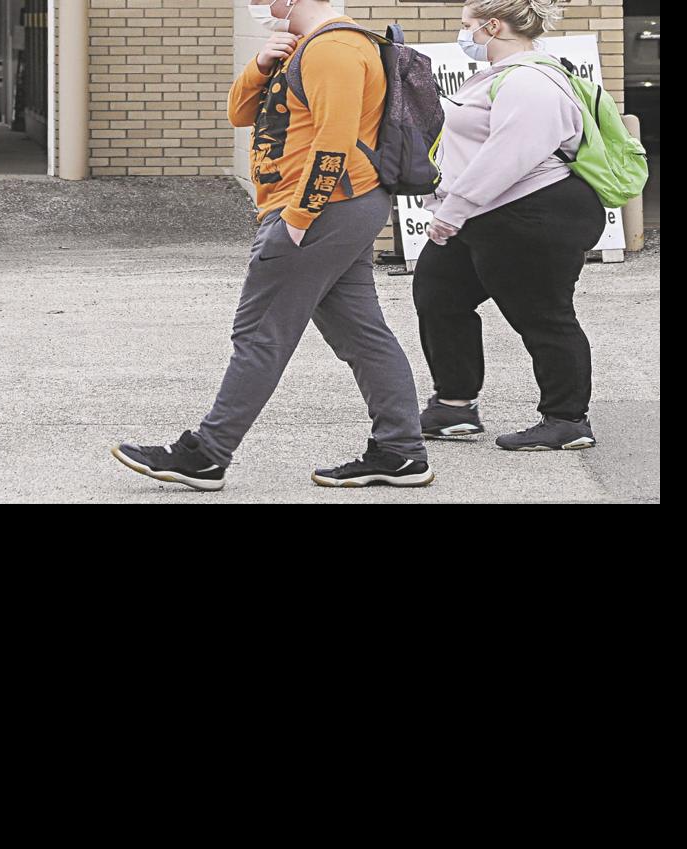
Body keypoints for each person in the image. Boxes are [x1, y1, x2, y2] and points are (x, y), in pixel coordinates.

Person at [112, 0, 431, 491]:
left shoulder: (337, 48)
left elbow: (336, 140)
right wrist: (261, 63)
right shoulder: (303, 48)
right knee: (362, 333)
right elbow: (241, 113)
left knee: (260, 332)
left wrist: (300, 217)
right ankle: (401, 452)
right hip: (336, 207)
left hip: (323, 207)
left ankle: (207, 455)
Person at [414, 0, 606, 452]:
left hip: (532, 214)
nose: (463, 35)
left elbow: (508, 157)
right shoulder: (499, 75)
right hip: (487, 212)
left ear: (492, 26)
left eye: (467, 26)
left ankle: (566, 420)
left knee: (541, 315)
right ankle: (454, 406)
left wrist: (452, 209)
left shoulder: (530, 81)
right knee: (439, 294)